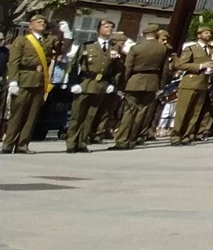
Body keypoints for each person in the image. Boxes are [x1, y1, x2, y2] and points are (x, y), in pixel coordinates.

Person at [3, 15, 59, 154]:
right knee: (17, 114)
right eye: (38, 22)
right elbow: (14, 61)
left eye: (44, 22)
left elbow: (61, 49)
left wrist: (62, 32)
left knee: (31, 116)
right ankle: (8, 144)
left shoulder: (48, 40)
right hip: (24, 79)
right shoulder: (22, 40)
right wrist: (13, 81)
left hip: (39, 81)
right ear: (30, 25)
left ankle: (22, 145)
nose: (42, 24)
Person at [65, 20, 122, 153]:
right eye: (106, 26)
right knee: (77, 116)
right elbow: (74, 65)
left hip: (101, 85)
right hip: (85, 83)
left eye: (111, 27)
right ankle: (71, 143)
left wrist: (112, 84)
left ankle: (82, 142)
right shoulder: (87, 46)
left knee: (90, 116)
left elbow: (116, 69)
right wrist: (73, 83)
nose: (109, 29)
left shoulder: (113, 48)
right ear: (98, 29)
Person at [113, 24, 169, 150]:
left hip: (135, 80)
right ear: (156, 34)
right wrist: (161, 86)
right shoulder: (162, 49)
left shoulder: (136, 48)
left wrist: (122, 85)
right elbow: (165, 69)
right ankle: (133, 138)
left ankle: (122, 140)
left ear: (144, 35)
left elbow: (128, 68)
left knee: (129, 112)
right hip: (152, 81)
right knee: (142, 113)